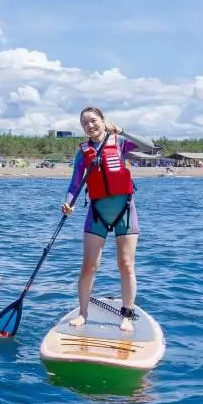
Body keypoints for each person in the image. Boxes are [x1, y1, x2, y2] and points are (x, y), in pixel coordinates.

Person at [60, 106, 148, 333]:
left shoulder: (120, 142)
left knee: (125, 264)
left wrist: (123, 131)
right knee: (89, 266)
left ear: (103, 120)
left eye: (93, 120)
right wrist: (69, 202)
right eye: (85, 123)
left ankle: (127, 314)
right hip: (97, 211)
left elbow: (150, 146)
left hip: (125, 211)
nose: (90, 126)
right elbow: (75, 183)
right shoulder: (83, 151)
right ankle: (82, 313)